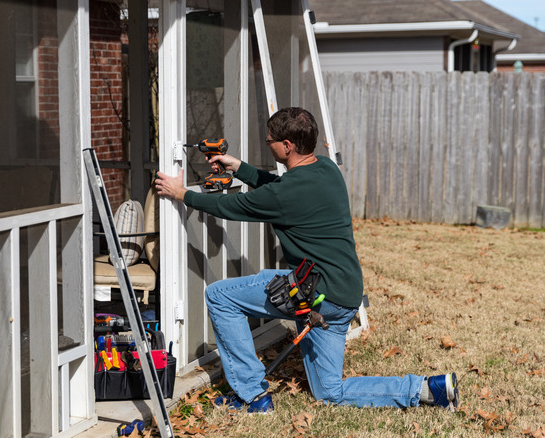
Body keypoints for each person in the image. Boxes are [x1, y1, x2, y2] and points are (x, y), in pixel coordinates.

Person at [154, 107, 458, 413]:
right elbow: (278, 187)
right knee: (329, 392)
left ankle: (252, 396)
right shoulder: (326, 169)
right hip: (344, 295)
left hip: (316, 297)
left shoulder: (286, 194)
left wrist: (182, 194)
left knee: (219, 296)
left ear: (287, 146)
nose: (268, 144)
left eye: (270, 140)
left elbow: (232, 205)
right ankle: (426, 389)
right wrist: (238, 167)